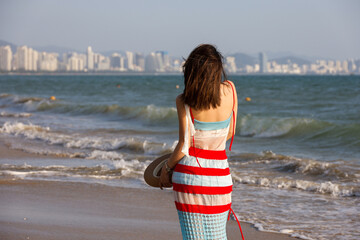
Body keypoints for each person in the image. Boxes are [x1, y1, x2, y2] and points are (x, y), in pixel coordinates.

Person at [160, 44, 240, 240]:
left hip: (190, 178)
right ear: (217, 69)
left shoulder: (184, 100)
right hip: (220, 177)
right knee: (218, 236)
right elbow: (230, 132)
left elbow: (184, 145)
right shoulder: (231, 89)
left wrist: (167, 169)